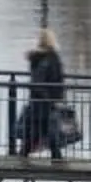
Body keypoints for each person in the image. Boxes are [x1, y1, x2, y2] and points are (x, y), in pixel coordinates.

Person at [21, 28, 67, 158]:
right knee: (49, 130)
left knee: (37, 131)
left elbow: (36, 81)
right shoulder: (51, 59)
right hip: (46, 101)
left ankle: (23, 156)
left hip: (37, 101)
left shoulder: (37, 58)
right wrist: (53, 98)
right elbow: (54, 79)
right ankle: (57, 158)